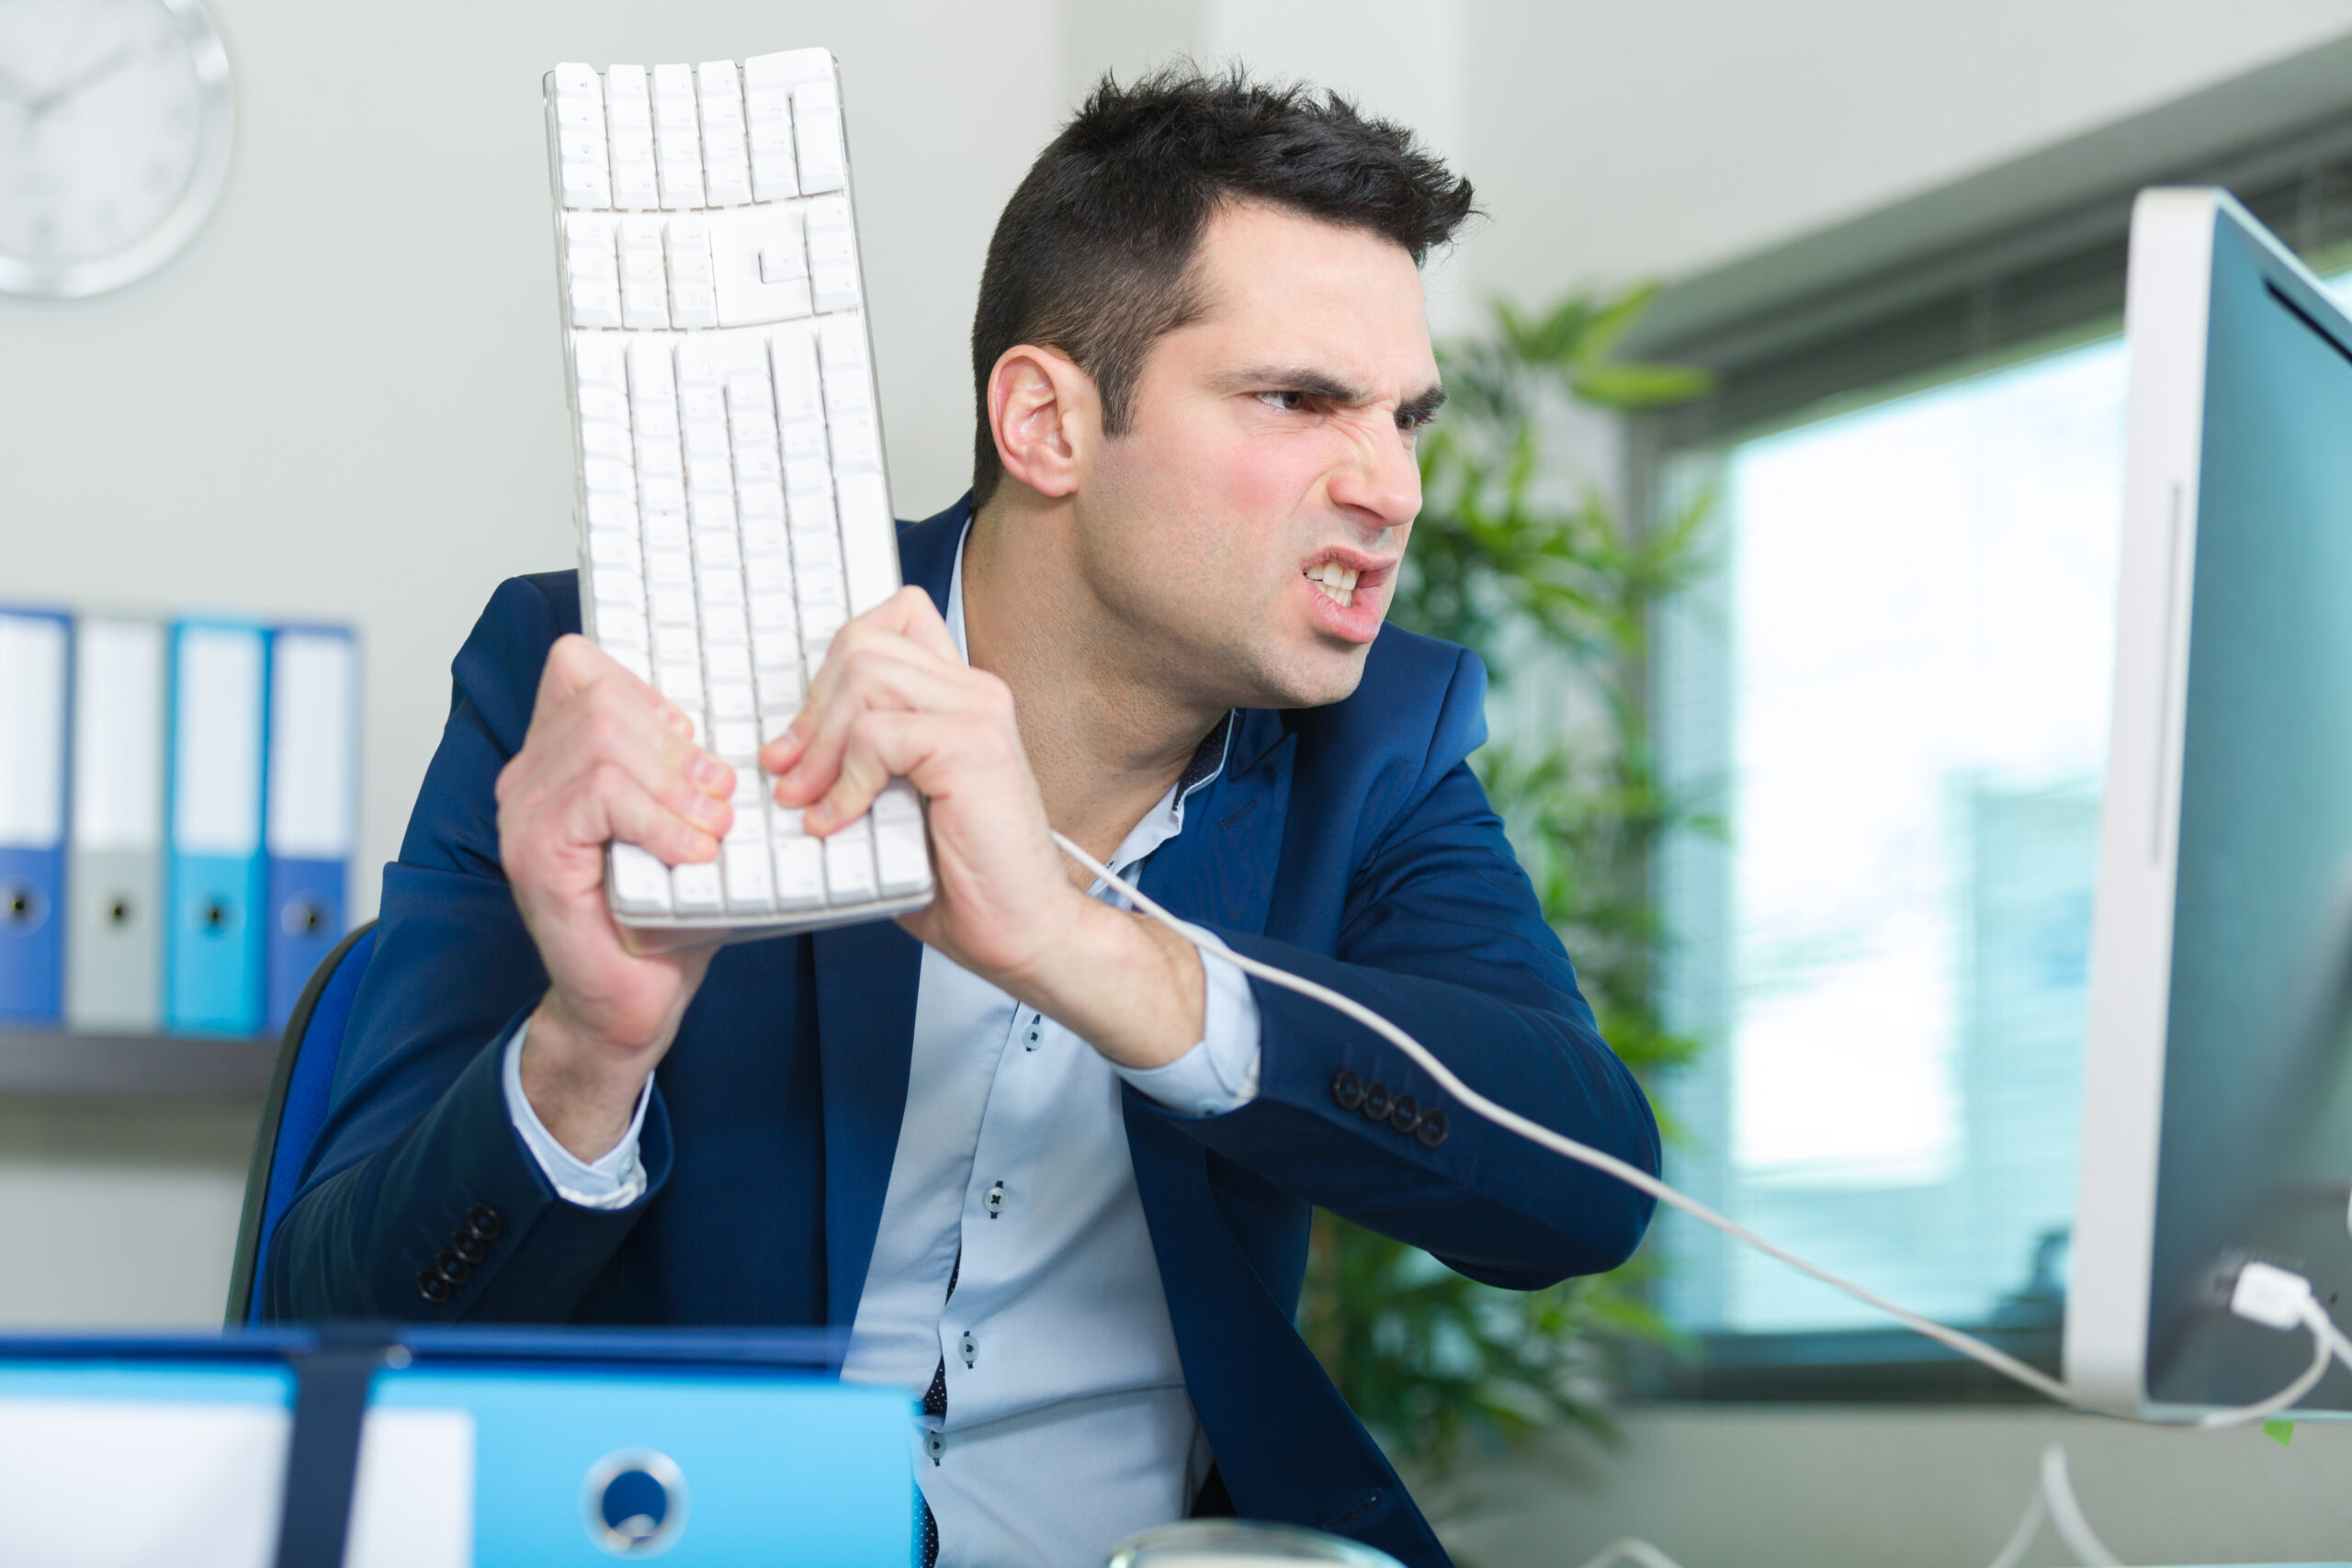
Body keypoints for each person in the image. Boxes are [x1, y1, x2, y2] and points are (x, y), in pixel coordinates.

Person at [266, 67, 1661, 1568]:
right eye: (1300, 401)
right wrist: (586, 1055)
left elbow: (1580, 1187)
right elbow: (325, 1334)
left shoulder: (1382, 745)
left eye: (1405, 417)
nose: (1390, 486)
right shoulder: (606, 689)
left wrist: (1086, 952)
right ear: (1048, 422)